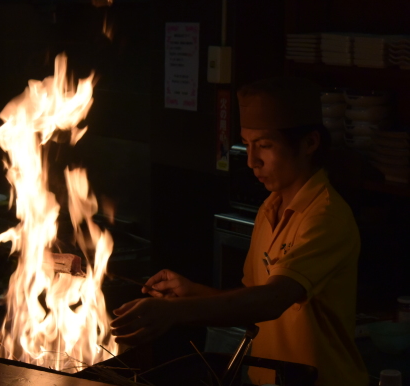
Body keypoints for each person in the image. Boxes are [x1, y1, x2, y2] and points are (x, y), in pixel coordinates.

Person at [110, 76, 368, 386]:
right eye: (247, 145)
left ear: (310, 143)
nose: (252, 161)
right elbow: (251, 303)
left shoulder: (325, 216)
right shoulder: (269, 209)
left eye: (265, 146)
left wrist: (176, 314)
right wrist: (189, 294)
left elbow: (272, 300)